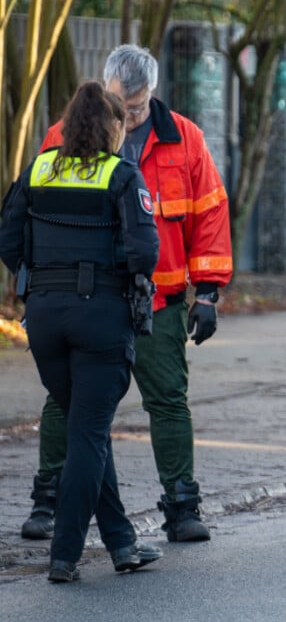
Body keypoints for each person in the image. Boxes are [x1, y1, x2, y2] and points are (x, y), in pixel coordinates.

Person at [20, 44, 233, 543]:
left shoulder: (186, 140)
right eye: (121, 104)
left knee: (167, 399)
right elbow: (31, 219)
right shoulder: (62, 136)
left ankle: (181, 506)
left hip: (158, 302)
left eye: (137, 106)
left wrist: (207, 293)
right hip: (88, 302)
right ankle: (46, 500)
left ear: (153, 94)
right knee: (65, 402)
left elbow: (210, 215)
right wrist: (37, 287)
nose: (129, 115)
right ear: (103, 88)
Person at [0, 82, 162, 582]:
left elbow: (7, 239)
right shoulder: (122, 174)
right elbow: (145, 252)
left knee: (86, 430)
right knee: (89, 434)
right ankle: (64, 555)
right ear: (113, 128)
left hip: (45, 317)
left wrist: (40, 278)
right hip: (101, 317)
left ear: (68, 126)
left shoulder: (40, 167)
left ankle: (122, 544)